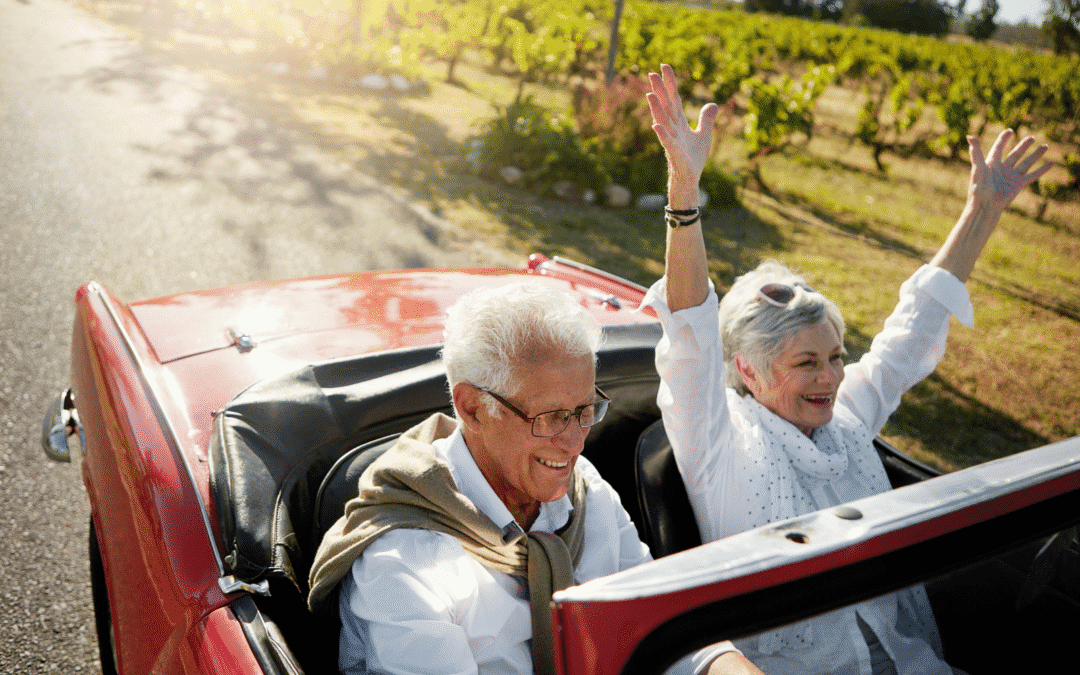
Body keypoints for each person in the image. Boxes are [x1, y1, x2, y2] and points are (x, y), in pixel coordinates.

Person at [641, 63, 1053, 675]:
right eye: (806, 363)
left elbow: (911, 331)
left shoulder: (845, 420)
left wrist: (983, 208)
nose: (832, 378)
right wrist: (683, 189)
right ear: (747, 372)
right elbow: (690, 330)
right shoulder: (718, 442)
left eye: (835, 357)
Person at [307, 281, 763, 675]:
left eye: (585, 411)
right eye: (550, 417)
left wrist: (724, 664)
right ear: (472, 408)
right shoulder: (403, 561)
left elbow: (660, 621)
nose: (574, 443)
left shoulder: (584, 491)